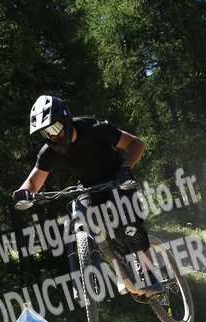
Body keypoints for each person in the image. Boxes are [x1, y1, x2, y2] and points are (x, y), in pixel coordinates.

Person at [12, 95, 163, 295]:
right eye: (45, 133)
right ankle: (118, 267)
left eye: (55, 128)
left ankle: (149, 272)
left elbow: (136, 144)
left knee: (130, 225)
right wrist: (24, 192)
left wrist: (126, 168)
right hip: (88, 186)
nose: (52, 136)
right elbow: (33, 182)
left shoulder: (94, 128)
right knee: (82, 219)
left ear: (66, 120)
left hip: (117, 177)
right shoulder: (49, 152)